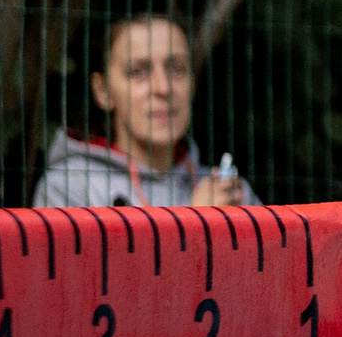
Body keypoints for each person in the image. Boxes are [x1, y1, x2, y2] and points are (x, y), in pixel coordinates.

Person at [32, 12, 256, 208]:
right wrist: (197, 223)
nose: (163, 88)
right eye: (138, 72)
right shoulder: (70, 186)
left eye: (176, 69)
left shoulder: (229, 192)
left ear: (193, 83)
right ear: (103, 91)